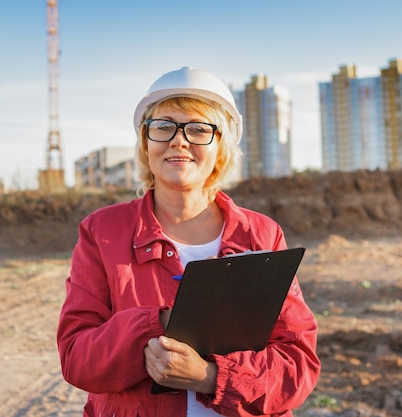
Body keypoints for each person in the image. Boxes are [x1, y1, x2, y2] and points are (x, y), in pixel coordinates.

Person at [56, 66, 320, 417]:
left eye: (198, 129)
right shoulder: (103, 232)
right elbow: (77, 359)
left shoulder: (262, 235)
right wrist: (160, 325)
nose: (179, 140)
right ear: (145, 142)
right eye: (164, 127)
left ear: (220, 147)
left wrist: (209, 377)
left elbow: (297, 364)